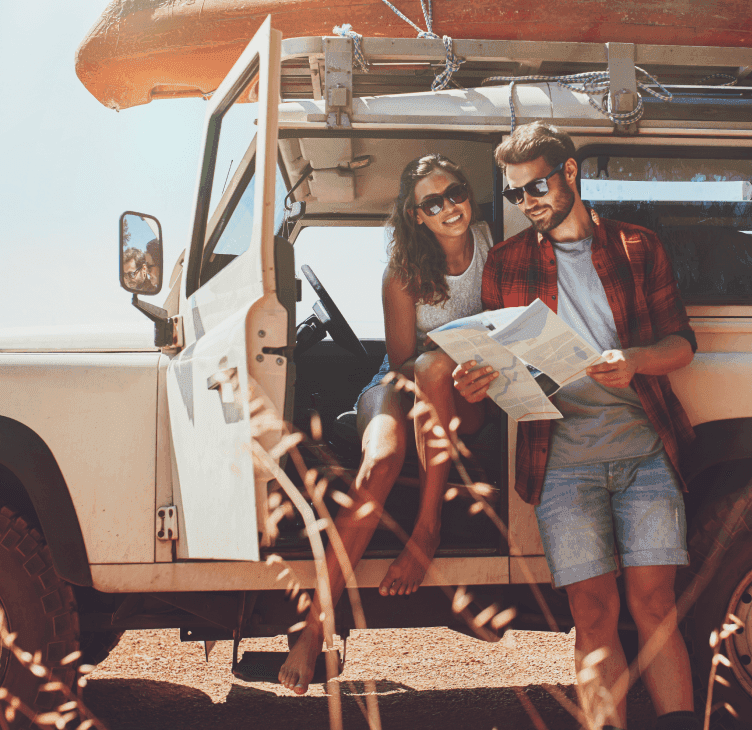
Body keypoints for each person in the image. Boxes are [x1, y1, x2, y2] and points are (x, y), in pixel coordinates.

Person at [454, 122, 701, 730]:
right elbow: (497, 366)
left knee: (654, 606)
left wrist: (636, 360)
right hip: (561, 460)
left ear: (569, 172)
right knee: (591, 615)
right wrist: (475, 386)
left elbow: (683, 344)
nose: (528, 202)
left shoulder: (636, 246)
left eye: (536, 186)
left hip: (645, 451)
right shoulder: (507, 263)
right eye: (515, 194)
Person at [279, 153, 492, 694]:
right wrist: (439, 361)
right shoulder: (403, 273)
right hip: (401, 383)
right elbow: (401, 365)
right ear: (416, 215)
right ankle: (311, 630)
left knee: (435, 365)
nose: (450, 207)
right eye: (433, 202)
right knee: (379, 462)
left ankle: (426, 531)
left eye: (456, 192)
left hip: (472, 390)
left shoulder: (494, 245)